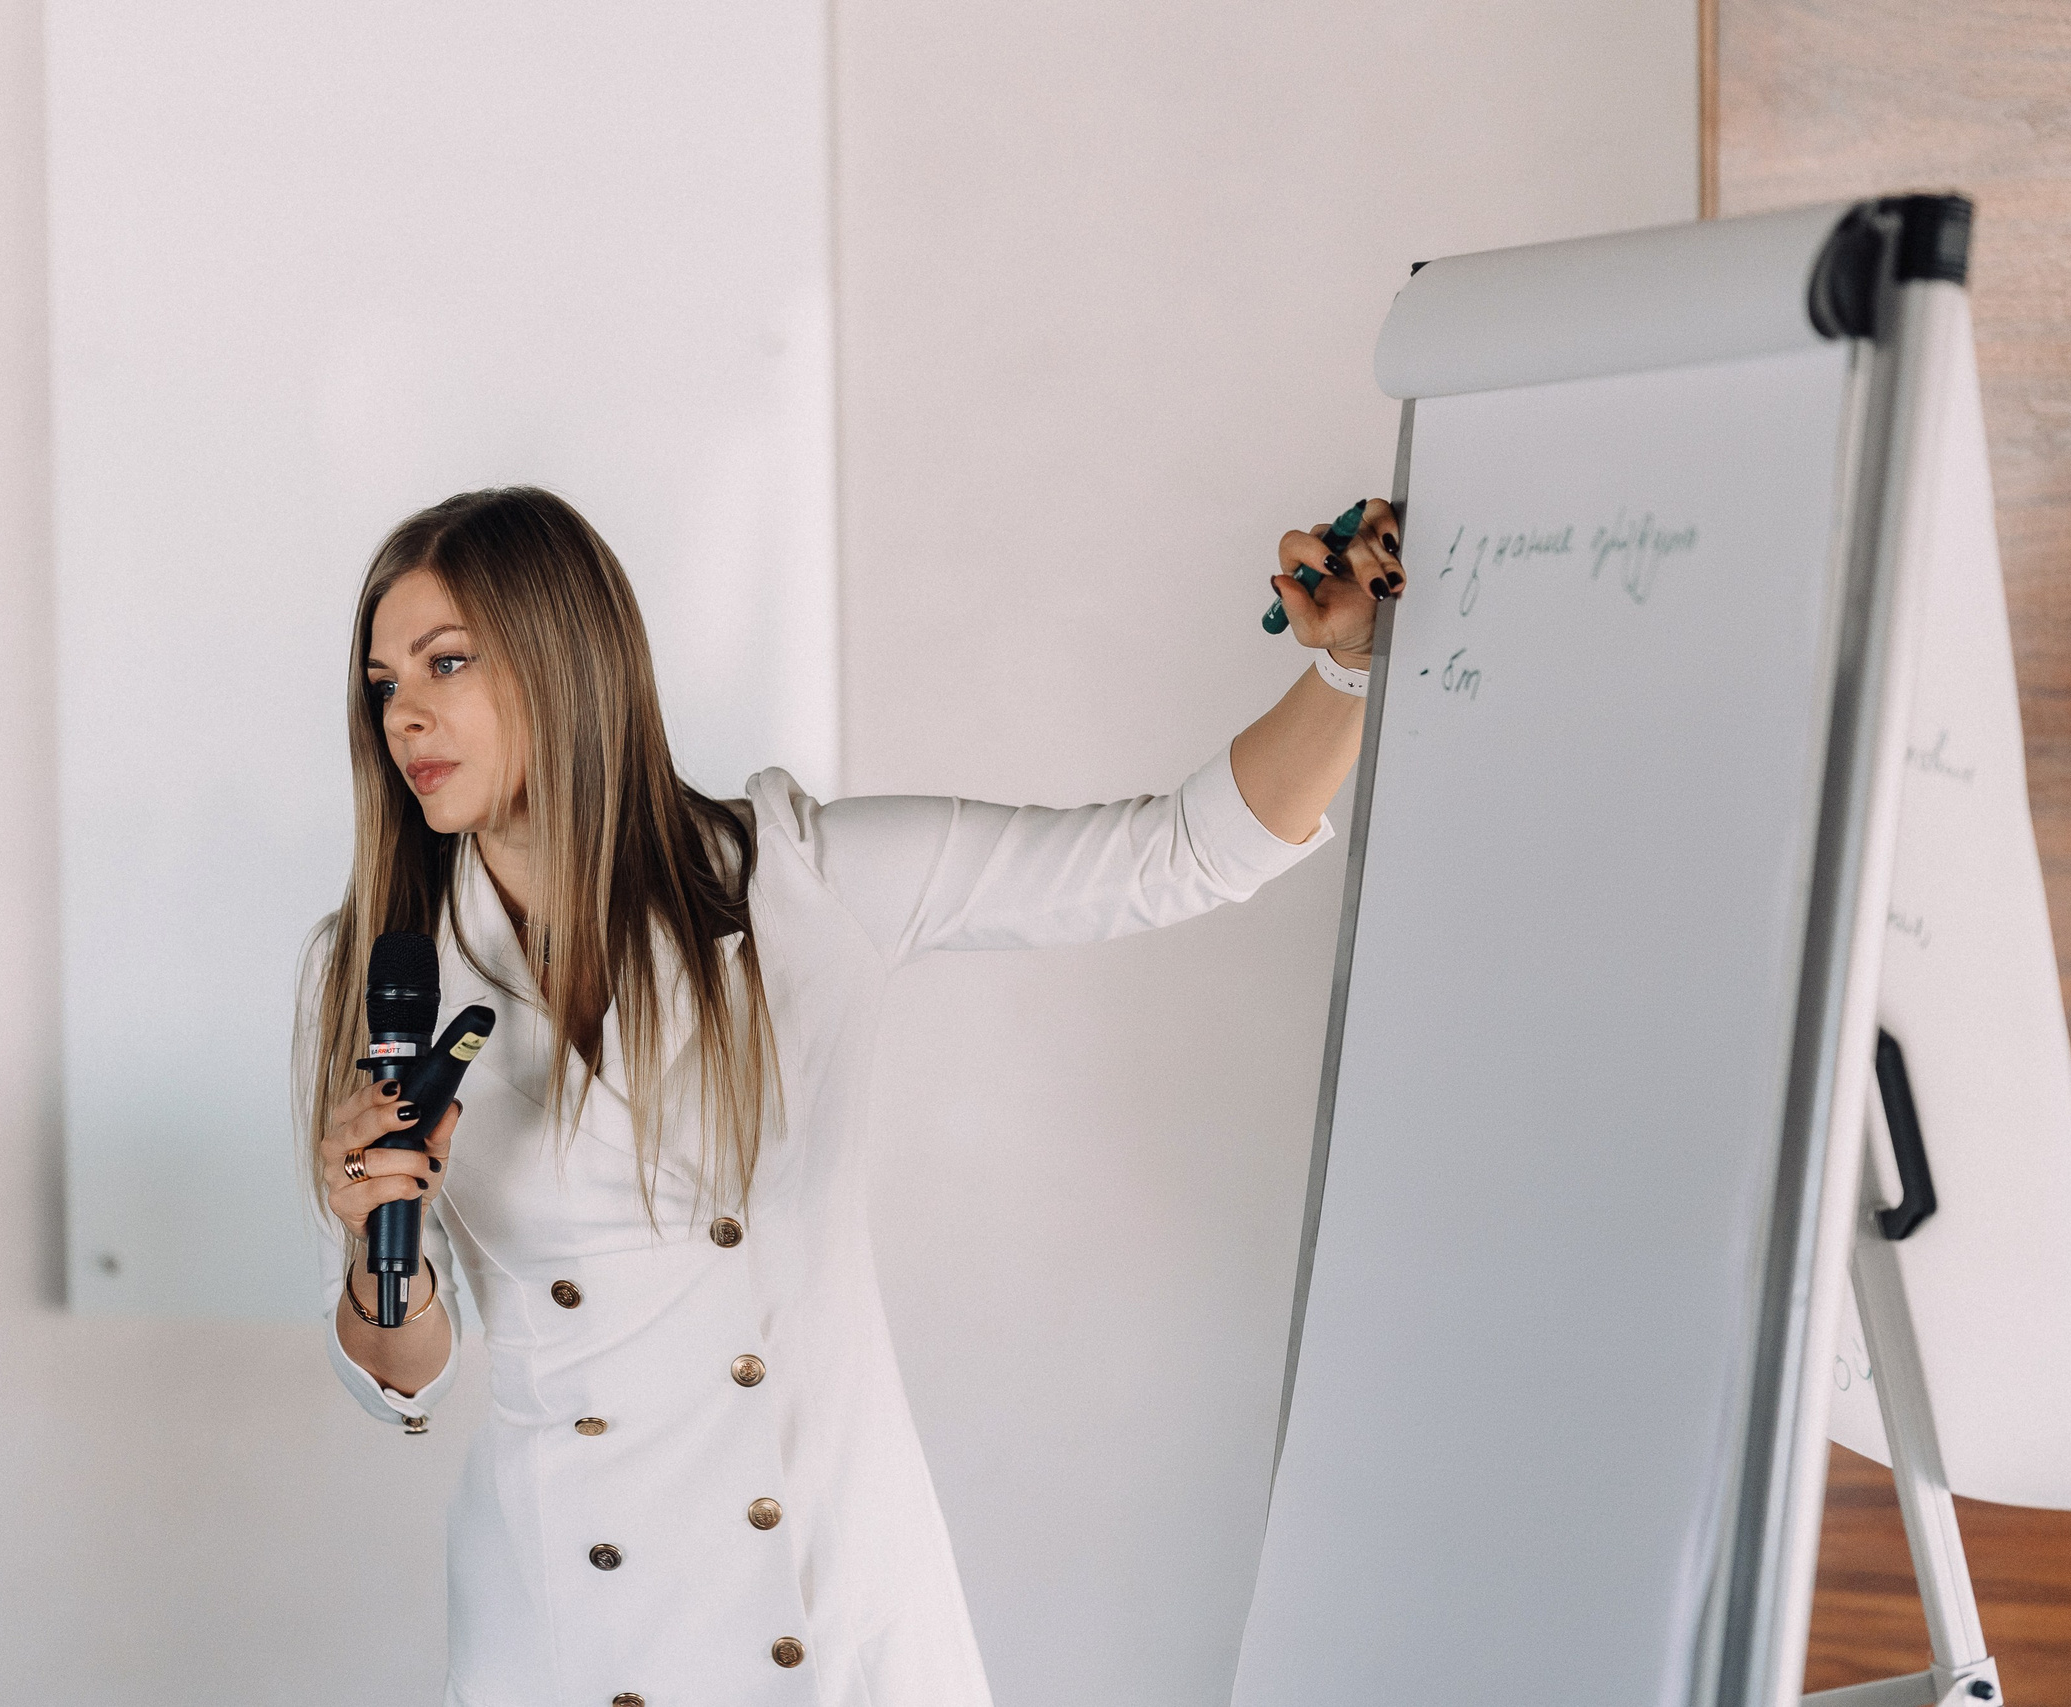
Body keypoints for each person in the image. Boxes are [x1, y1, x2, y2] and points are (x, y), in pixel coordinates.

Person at [301, 485, 1402, 1707]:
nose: (406, 715)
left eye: (445, 662)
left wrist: (1349, 670)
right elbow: (406, 1377)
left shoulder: (798, 882)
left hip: (822, 1621)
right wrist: (368, 1247)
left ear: (566, 657)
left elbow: (1171, 854)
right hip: (568, 1632)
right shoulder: (379, 967)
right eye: (384, 683)